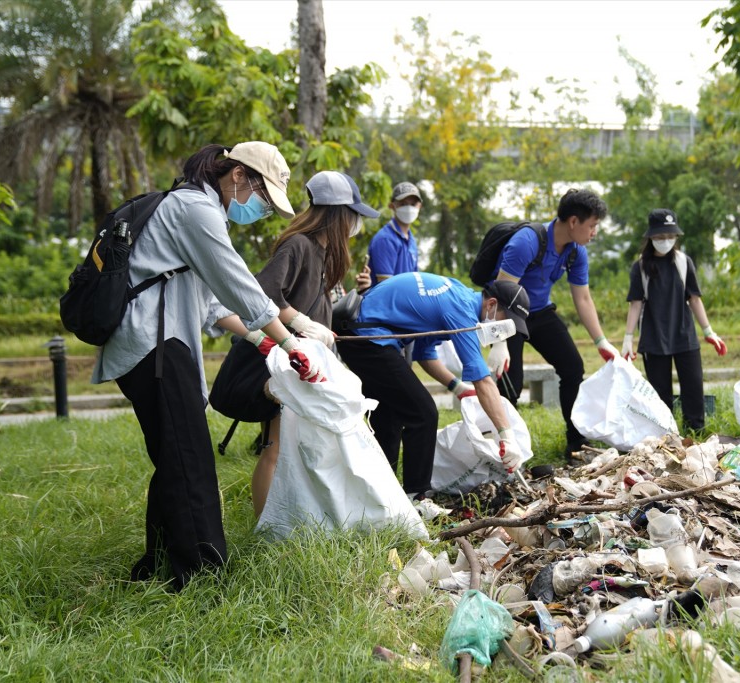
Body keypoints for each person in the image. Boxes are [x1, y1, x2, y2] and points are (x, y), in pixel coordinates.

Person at [92, 142, 323, 590]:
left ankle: (157, 565)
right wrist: (291, 342)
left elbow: (213, 305)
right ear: (237, 175)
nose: (261, 208)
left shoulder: (198, 211)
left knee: (174, 455)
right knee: (190, 460)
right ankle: (199, 575)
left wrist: (260, 339)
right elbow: (243, 288)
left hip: (158, 343)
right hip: (154, 344)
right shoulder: (195, 210)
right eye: (262, 194)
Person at [231, 171, 379, 518]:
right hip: (280, 359)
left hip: (309, 362)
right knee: (275, 446)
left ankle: (299, 516)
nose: (356, 223)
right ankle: (264, 528)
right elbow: (261, 293)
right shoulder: (298, 244)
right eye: (353, 214)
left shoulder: (326, 254)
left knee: (300, 446)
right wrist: (299, 322)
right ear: (337, 213)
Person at [336, 272, 530, 500]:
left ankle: (377, 494)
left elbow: (424, 354)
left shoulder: (459, 295)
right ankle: (417, 496)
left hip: (365, 335)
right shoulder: (461, 310)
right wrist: (506, 436)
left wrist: (457, 387)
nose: (500, 332)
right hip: (364, 337)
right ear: (492, 304)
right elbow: (483, 380)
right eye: (503, 321)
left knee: (390, 417)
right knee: (423, 413)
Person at [488, 188, 619, 462]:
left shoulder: (576, 251)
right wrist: (499, 343)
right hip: (509, 313)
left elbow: (582, 298)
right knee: (511, 383)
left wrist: (601, 341)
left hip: (540, 312)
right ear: (574, 222)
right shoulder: (527, 242)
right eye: (592, 225)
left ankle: (576, 443)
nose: (594, 232)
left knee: (573, 368)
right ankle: (501, 452)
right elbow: (501, 294)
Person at [620, 209, 727, 433]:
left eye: (670, 237)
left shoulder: (683, 262)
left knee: (693, 387)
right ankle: (665, 435)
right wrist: (628, 339)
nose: (665, 241)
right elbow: (635, 303)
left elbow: (695, 299)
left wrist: (708, 331)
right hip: (654, 336)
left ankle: (695, 434)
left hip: (684, 334)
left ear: (676, 237)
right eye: (660, 237)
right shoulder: (640, 267)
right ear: (650, 237)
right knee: (660, 393)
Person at [366, 181, 423, 286]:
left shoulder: (412, 241)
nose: (409, 208)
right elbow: (386, 287)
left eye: (413, 204)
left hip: (404, 300)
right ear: (392, 206)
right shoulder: (385, 239)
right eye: (403, 204)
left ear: (420, 206)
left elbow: (414, 281)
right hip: (386, 301)